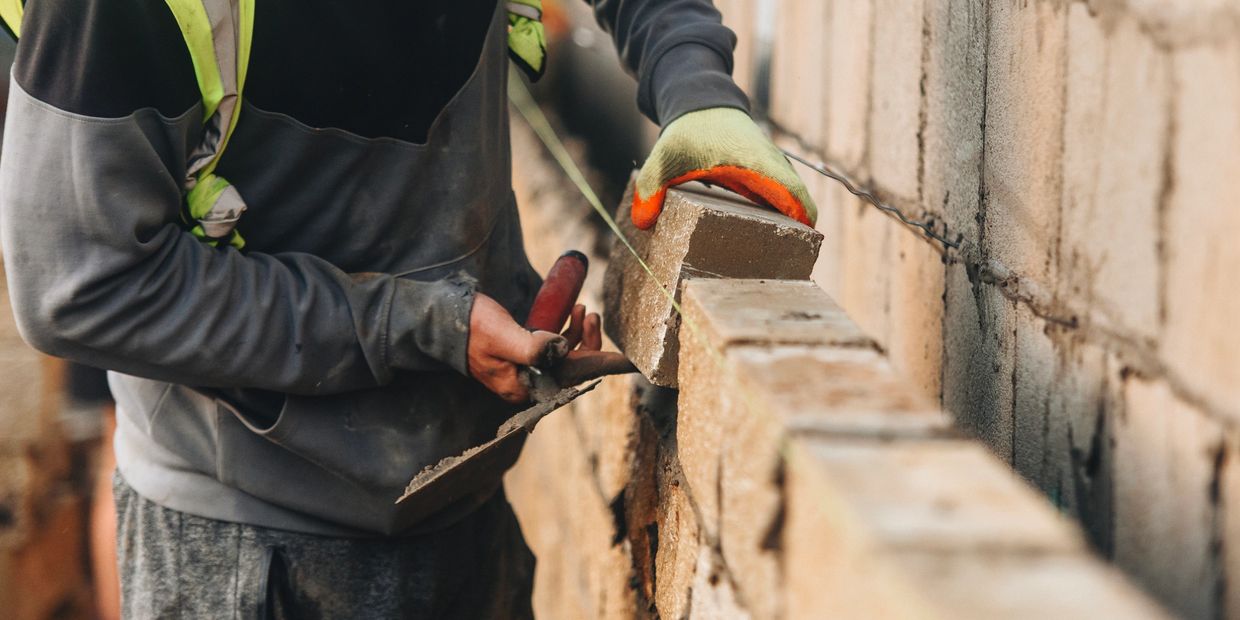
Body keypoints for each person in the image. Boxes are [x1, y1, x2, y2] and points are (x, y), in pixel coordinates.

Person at [0, 0, 815, 616]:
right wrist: (430, 326)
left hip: (459, 503)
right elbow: (84, 286)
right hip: (252, 551)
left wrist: (696, 85)